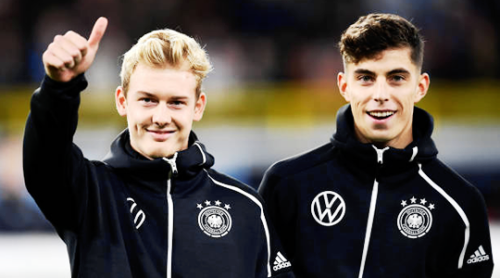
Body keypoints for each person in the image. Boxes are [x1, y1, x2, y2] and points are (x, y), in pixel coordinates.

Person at [23, 17, 294, 278]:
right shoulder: (89, 192)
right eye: (148, 100)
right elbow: (45, 157)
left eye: (176, 102)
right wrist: (59, 88)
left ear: (198, 106)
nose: (161, 118)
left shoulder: (245, 208)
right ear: (122, 101)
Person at [258, 13, 494, 278]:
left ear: (420, 86)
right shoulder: (287, 184)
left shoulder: (460, 202)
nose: (380, 95)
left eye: (396, 78)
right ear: (344, 86)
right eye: (366, 78)